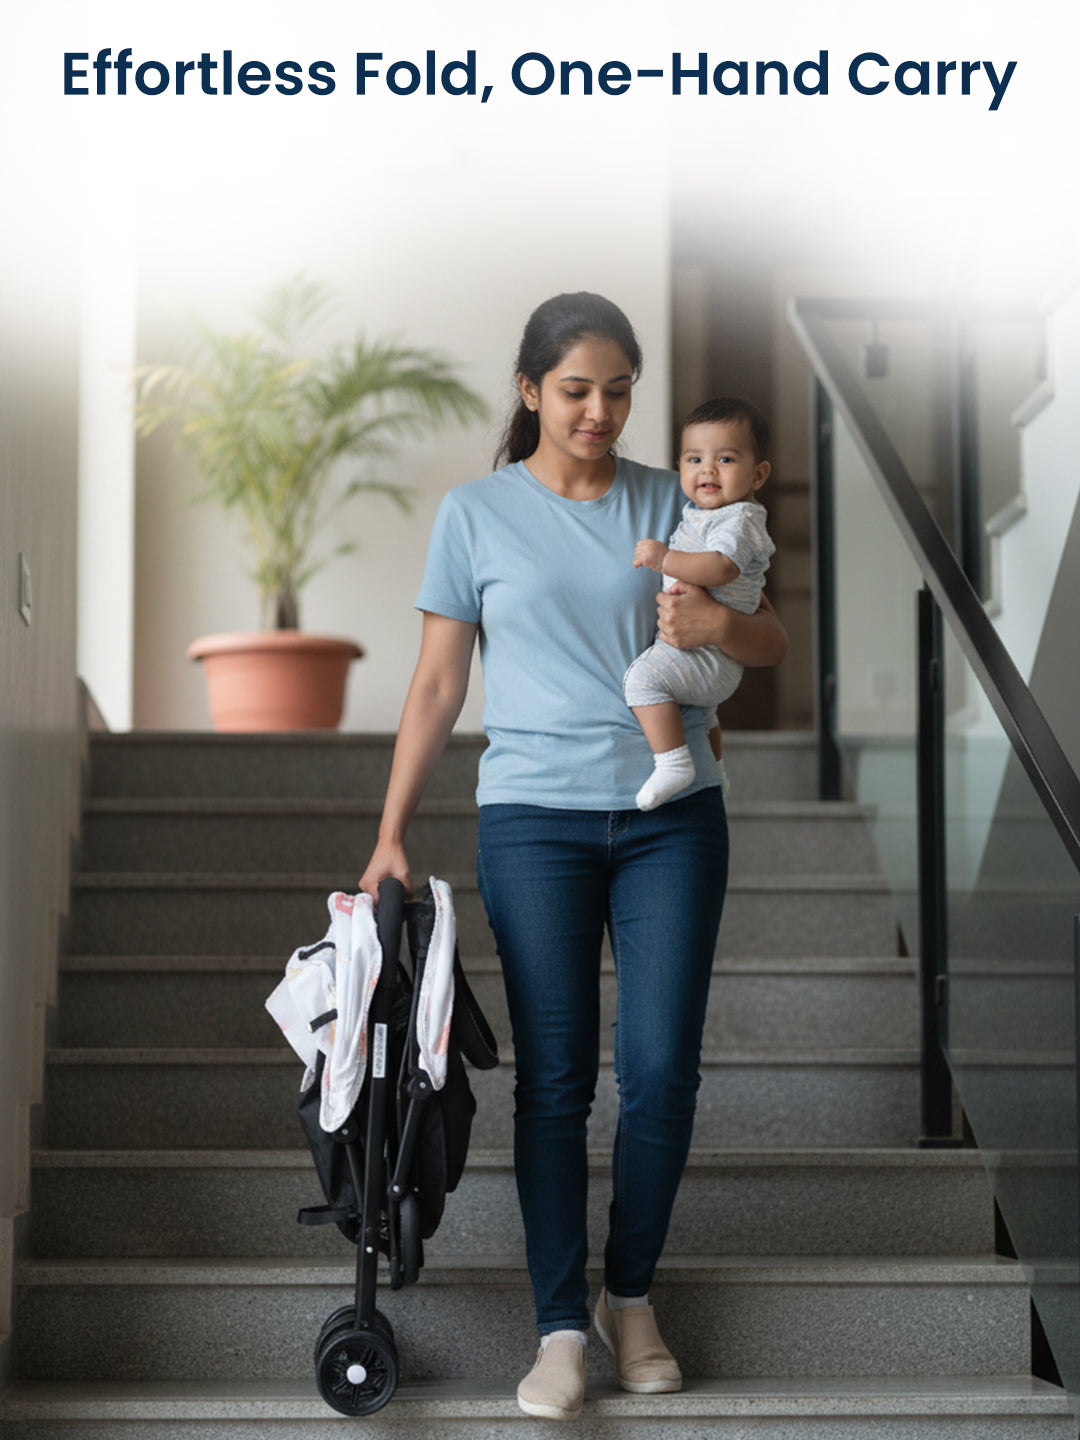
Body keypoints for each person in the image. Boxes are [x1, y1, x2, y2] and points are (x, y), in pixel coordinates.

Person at [358, 292, 787, 1421]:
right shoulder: (476, 514)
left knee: (659, 1077)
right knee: (554, 1085)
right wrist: (391, 833)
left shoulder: (681, 493)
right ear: (531, 391)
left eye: (619, 389)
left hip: (672, 817)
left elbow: (764, 633)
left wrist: (717, 631)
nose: (600, 410)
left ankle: (629, 1296)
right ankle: (559, 1327)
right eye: (577, 389)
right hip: (534, 821)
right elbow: (440, 686)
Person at [625, 397, 775, 811]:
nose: (707, 469)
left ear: (757, 474)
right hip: (707, 657)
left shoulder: (739, 518)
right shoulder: (703, 512)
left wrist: (664, 558)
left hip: (707, 652)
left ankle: (673, 762)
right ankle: (717, 769)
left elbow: (722, 567)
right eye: (694, 459)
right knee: (706, 716)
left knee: (642, 682)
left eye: (725, 459)